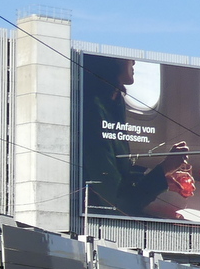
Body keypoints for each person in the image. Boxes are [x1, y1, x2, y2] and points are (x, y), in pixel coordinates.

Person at [81, 56, 191, 218]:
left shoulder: (115, 100)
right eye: (127, 57)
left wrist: (163, 177)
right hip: (98, 216)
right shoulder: (92, 111)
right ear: (110, 60)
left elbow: (120, 170)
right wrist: (163, 169)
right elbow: (119, 204)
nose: (133, 61)